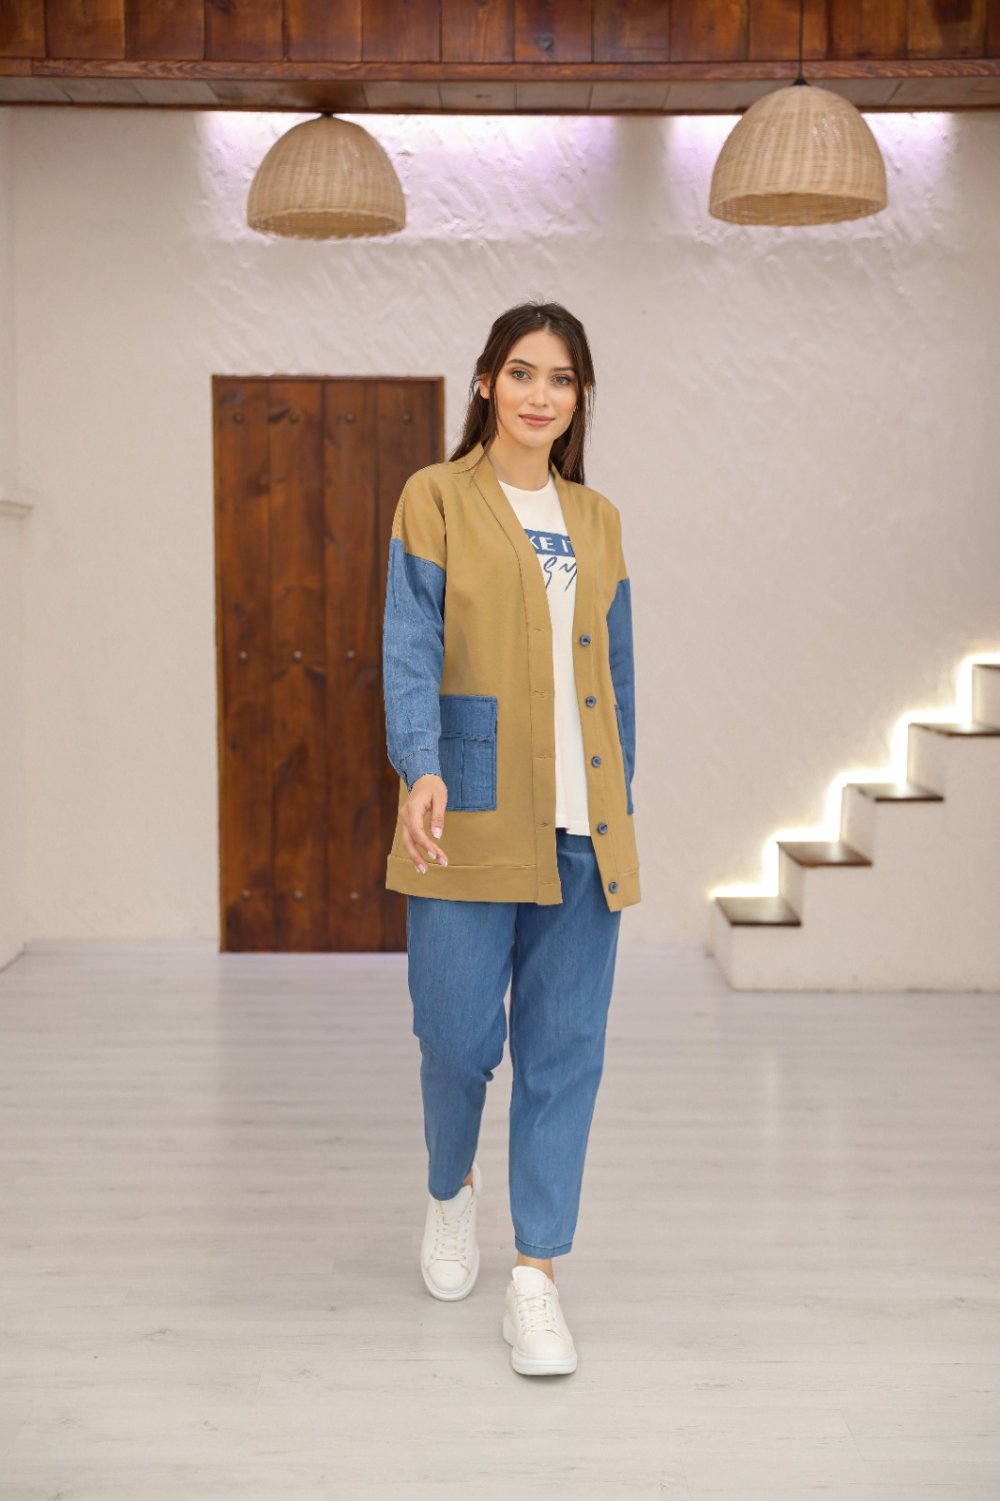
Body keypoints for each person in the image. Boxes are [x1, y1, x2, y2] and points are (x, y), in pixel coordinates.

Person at [381, 300, 640, 1376]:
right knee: (454, 1039)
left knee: (564, 1053)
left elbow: (616, 675)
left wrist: (622, 795)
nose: (542, 394)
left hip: (583, 830)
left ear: (580, 398)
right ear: (486, 380)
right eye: (522, 372)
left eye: (562, 378)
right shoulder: (435, 497)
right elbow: (410, 643)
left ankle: (535, 1277)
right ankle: (451, 1189)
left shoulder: (598, 518)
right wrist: (420, 763)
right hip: (468, 814)